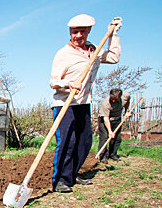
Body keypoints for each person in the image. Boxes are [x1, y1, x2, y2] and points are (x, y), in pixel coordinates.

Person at [49, 14, 122, 193]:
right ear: (70, 32)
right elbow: (53, 81)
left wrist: (112, 34)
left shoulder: (93, 51)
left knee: (84, 142)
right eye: (74, 32)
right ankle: (60, 181)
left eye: (82, 31)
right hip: (65, 103)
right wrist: (68, 84)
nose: (78, 35)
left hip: (83, 103)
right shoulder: (63, 54)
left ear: (89, 31)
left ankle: (72, 175)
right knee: (67, 141)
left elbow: (113, 57)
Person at [98, 89, 131, 164]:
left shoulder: (126, 96)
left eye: (115, 99)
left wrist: (127, 112)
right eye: (112, 99)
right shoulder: (106, 103)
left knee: (117, 138)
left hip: (117, 119)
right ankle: (103, 156)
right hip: (105, 120)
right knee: (105, 137)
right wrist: (110, 131)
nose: (113, 101)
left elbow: (127, 102)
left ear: (120, 97)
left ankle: (113, 154)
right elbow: (106, 118)